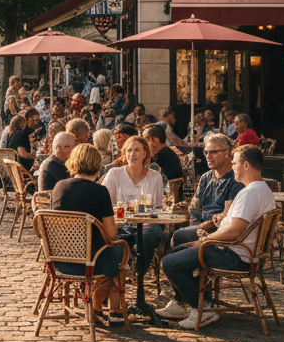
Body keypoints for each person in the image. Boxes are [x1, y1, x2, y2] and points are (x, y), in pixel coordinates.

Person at [159, 145, 276, 329]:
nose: (232, 166)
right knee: (179, 248)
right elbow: (234, 227)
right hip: (239, 252)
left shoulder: (250, 193)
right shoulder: (262, 189)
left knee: (169, 262)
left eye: (235, 162)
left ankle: (203, 308)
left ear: (246, 165)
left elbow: (233, 232)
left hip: (234, 256)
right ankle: (193, 304)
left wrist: (206, 240)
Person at [51, 142, 129, 325]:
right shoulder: (100, 192)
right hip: (89, 262)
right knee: (122, 251)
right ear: (97, 165)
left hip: (60, 258)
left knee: (112, 252)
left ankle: (98, 307)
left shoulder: (59, 187)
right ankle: (104, 308)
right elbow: (111, 234)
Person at [102, 134, 165, 278]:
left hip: (147, 223)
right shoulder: (114, 174)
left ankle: (140, 275)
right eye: (129, 150)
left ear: (145, 153)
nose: (132, 154)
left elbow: (158, 207)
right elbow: (106, 204)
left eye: (137, 150)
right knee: (113, 241)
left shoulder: (155, 176)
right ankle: (111, 279)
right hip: (120, 223)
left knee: (148, 234)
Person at [169, 134, 243, 250]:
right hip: (201, 228)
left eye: (213, 152)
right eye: (206, 152)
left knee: (178, 237)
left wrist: (206, 228)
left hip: (222, 232)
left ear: (226, 153)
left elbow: (230, 216)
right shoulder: (206, 177)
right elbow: (194, 209)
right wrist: (197, 229)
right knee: (173, 236)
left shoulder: (236, 179)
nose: (208, 156)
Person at [143, 123, 185, 196]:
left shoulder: (160, 158)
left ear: (154, 141)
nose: (142, 144)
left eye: (145, 140)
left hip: (162, 200)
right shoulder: (168, 153)